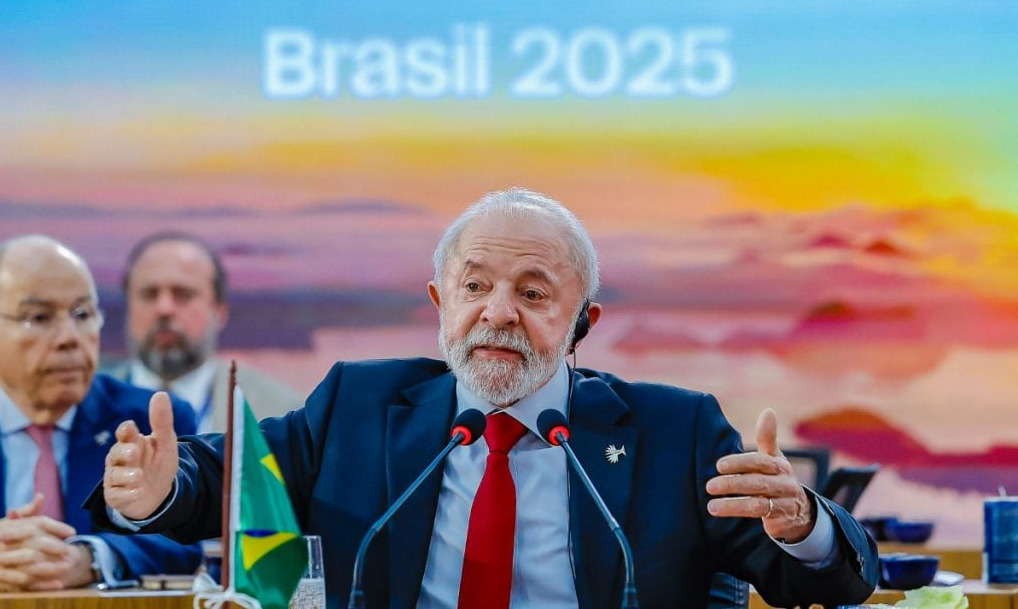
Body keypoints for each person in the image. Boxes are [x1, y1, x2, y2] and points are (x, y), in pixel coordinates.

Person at [94, 189, 878, 608]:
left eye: (533, 293)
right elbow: (227, 478)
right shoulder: (358, 405)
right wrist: (159, 488)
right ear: (442, 303)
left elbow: (829, 583)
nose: (498, 312)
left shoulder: (676, 430)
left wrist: (804, 526)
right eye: (475, 286)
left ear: (582, 322)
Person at [0, 235, 202, 591]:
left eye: (83, 314)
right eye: (39, 317)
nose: (69, 337)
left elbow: (183, 539)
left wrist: (90, 558)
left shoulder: (149, 421)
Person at [109, 232, 302, 433]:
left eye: (183, 294)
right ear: (128, 307)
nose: (164, 309)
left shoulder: (280, 414)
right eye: (149, 294)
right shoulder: (89, 406)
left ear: (219, 311)